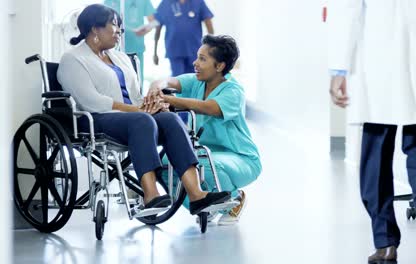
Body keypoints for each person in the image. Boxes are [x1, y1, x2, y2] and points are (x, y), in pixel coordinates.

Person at [56, 4, 230, 216]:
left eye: (120, 26)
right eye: (114, 25)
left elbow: (135, 94)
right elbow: (90, 101)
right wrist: (138, 110)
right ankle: (150, 195)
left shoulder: (118, 57)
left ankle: (196, 195)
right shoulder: (73, 59)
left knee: (170, 119)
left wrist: (153, 106)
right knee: (142, 120)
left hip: (132, 118)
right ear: (95, 29)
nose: (119, 30)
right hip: (95, 119)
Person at [328, 1, 416, 263]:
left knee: (375, 155)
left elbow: (346, 9)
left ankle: (385, 243)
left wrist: (338, 69)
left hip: (381, 54)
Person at [147, 35, 262, 225]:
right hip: (205, 153)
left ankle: (233, 199)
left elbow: (209, 108)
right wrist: (156, 87)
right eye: (197, 57)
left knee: (201, 163)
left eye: (202, 59)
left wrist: (171, 100)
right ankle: (204, 204)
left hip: (240, 157)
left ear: (220, 66)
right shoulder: (197, 81)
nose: (195, 63)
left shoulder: (233, 91)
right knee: (164, 166)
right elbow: (169, 81)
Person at [152, 0, 214, 76]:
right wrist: (155, 52)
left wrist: (211, 48)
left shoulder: (198, 2)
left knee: (195, 78)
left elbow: (209, 25)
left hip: (195, 49)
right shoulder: (166, 3)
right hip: (174, 49)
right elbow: (157, 28)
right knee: (177, 79)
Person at [104, 0, 155, 82]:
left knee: (136, 81)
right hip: (113, 48)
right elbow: (103, 19)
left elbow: (153, 22)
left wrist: (144, 30)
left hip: (136, 47)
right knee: (116, 81)